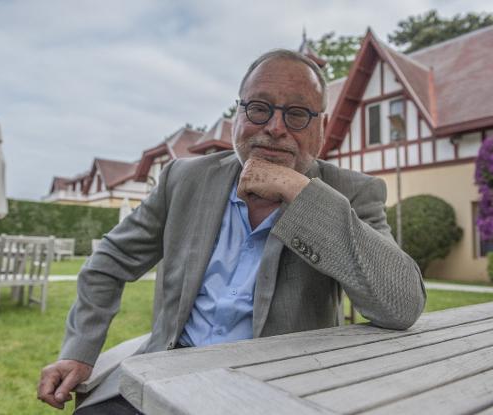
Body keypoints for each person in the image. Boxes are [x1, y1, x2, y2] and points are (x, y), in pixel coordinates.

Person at [38, 49, 426, 414]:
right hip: (166, 373)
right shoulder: (183, 179)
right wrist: (80, 350)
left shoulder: (353, 191)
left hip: (275, 390)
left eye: (297, 114)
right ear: (237, 115)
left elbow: (402, 304)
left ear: (321, 127)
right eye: (259, 109)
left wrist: (298, 191)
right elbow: (109, 262)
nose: (275, 128)